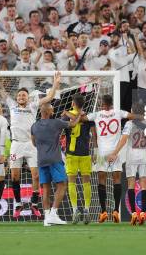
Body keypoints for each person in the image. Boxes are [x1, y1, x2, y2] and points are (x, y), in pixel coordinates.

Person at [0, 68, 61, 219]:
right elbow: (1, 90)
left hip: (30, 144)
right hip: (16, 145)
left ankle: (34, 203)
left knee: (36, 175)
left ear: (28, 97)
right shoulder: (12, 105)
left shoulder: (32, 106)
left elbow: (49, 97)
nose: (21, 97)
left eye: (24, 95)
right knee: (15, 175)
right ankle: (18, 203)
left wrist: (55, 84)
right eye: (20, 95)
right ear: (17, 98)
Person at [86, 94, 139, 223]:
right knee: (117, 179)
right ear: (112, 103)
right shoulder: (118, 112)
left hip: (102, 151)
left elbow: (83, 118)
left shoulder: (97, 114)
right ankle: (115, 210)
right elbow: (132, 116)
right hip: (116, 151)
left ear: (102, 103)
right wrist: (140, 116)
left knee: (101, 179)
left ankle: (103, 211)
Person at [30, 100, 79, 226]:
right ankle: (53, 213)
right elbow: (73, 124)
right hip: (54, 159)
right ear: (50, 112)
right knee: (62, 184)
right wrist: (78, 115)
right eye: (52, 109)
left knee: (45, 188)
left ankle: (47, 218)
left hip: (41, 159)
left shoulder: (34, 126)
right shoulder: (56, 122)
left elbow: (34, 143)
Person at [107, 116, 146, 226]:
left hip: (132, 155)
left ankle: (133, 213)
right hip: (144, 155)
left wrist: (115, 152)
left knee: (131, 185)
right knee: (144, 186)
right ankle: (142, 213)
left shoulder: (130, 123)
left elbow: (124, 139)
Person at [62, 94, 95, 224]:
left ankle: (75, 210)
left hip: (71, 153)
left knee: (71, 182)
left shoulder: (67, 115)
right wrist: (95, 149)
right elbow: (94, 133)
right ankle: (86, 209)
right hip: (85, 153)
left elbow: (61, 126)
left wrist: (66, 113)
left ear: (73, 103)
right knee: (86, 182)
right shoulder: (88, 116)